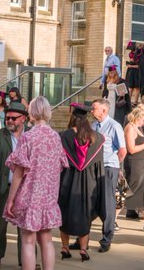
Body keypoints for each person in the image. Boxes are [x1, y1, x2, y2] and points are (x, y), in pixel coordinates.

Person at [2, 97, 66, 270]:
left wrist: (10, 199)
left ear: (32, 112)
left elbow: (18, 172)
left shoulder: (28, 137)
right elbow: (60, 166)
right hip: (49, 197)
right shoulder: (55, 137)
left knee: (28, 241)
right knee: (47, 240)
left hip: (30, 196)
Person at [58, 104, 103, 260]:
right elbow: (99, 165)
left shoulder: (63, 136)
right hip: (89, 184)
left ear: (72, 118)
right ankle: (83, 249)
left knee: (64, 213)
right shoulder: (97, 138)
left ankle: (65, 247)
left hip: (67, 182)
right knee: (85, 214)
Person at [0, 102, 28, 268]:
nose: (9, 120)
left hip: (26, 189)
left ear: (23, 118)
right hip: (3, 187)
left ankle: (26, 259)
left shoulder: (31, 136)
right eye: (7, 117)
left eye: (13, 118)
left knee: (26, 226)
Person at [91, 98, 126, 254]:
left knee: (108, 203)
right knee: (91, 201)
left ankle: (106, 239)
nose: (92, 111)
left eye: (94, 108)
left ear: (103, 111)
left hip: (108, 168)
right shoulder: (93, 126)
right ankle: (82, 236)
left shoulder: (114, 126)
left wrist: (114, 165)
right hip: (94, 169)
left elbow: (122, 150)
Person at [122, 106, 144, 230]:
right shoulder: (130, 128)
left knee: (143, 191)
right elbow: (131, 149)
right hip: (135, 163)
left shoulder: (137, 128)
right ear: (138, 117)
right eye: (143, 119)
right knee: (131, 190)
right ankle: (113, 217)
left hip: (142, 162)